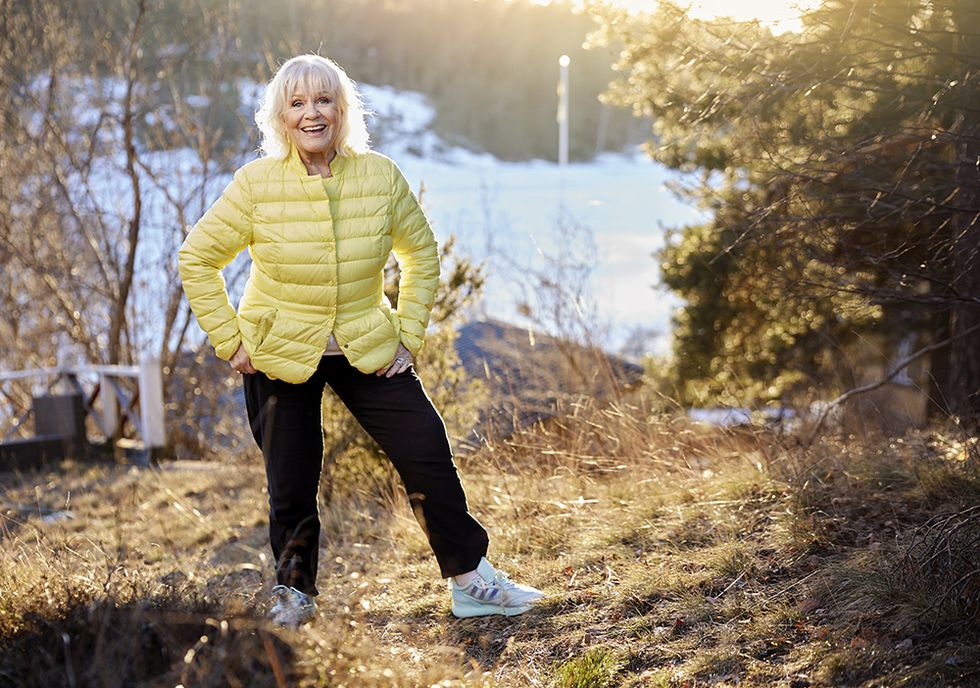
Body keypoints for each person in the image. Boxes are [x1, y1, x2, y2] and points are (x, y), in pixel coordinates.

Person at [177, 54, 544, 627]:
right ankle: (295, 595)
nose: (312, 113)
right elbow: (197, 257)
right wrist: (230, 340)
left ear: (342, 109)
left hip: (366, 345)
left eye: (323, 100)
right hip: (278, 353)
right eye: (297, 103)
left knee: (426, 451)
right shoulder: (256, 184)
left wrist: (408, 332)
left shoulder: (379, 175)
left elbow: (419, 253)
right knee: (291, 484)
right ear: (280, 117)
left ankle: (471, 582)